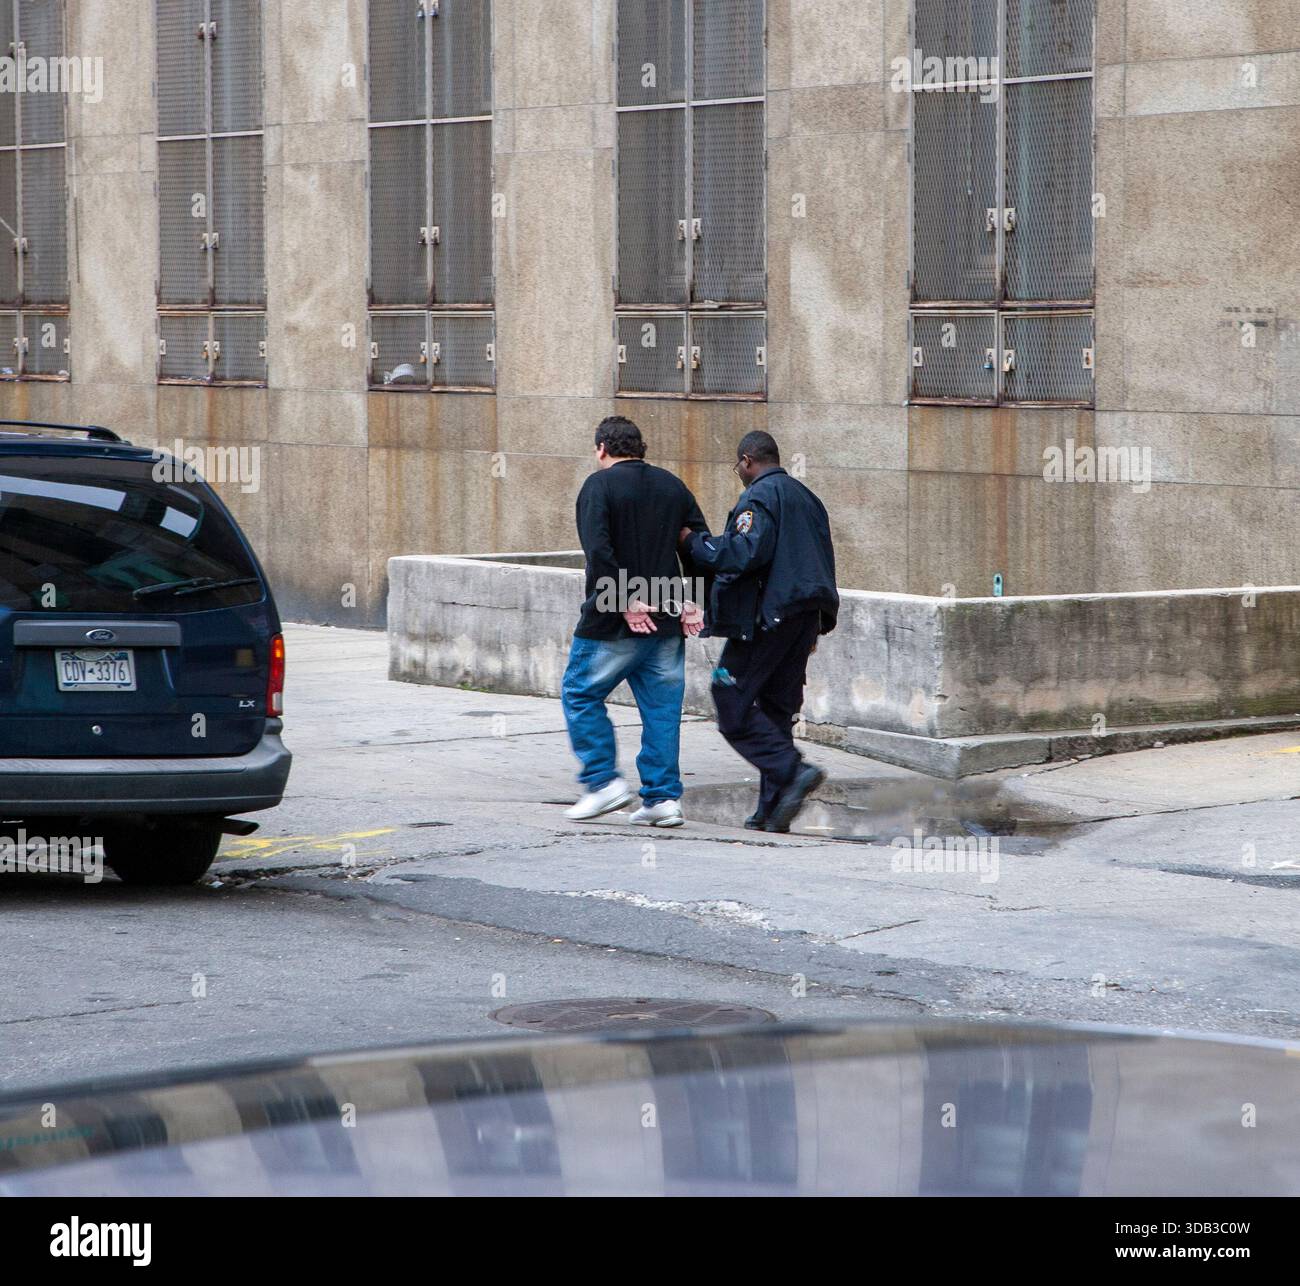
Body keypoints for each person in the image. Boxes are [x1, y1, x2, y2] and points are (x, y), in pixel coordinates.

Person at [680, 430, 838, 833]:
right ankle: (771, 810)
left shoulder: (759, 497)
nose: (740, 473)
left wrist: (695, 543)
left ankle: (791, 771)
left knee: (728, 693)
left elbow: (745, 552)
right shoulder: (807, 498)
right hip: (804, 618)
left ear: (748, 460)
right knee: (774, 710)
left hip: (771, 619)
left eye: (738, 467)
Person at [562, 416, 708, 827]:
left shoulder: (599, 486)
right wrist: (693, 602)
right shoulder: (672, 485)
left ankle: (602, 781)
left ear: (602, 449)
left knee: (579, 693)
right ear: (640, 448)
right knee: (661, 711)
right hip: (666, 617)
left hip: (614, 620)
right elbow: (698, 545)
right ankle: (662, 799)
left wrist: (626, 600)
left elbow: (598, 550)